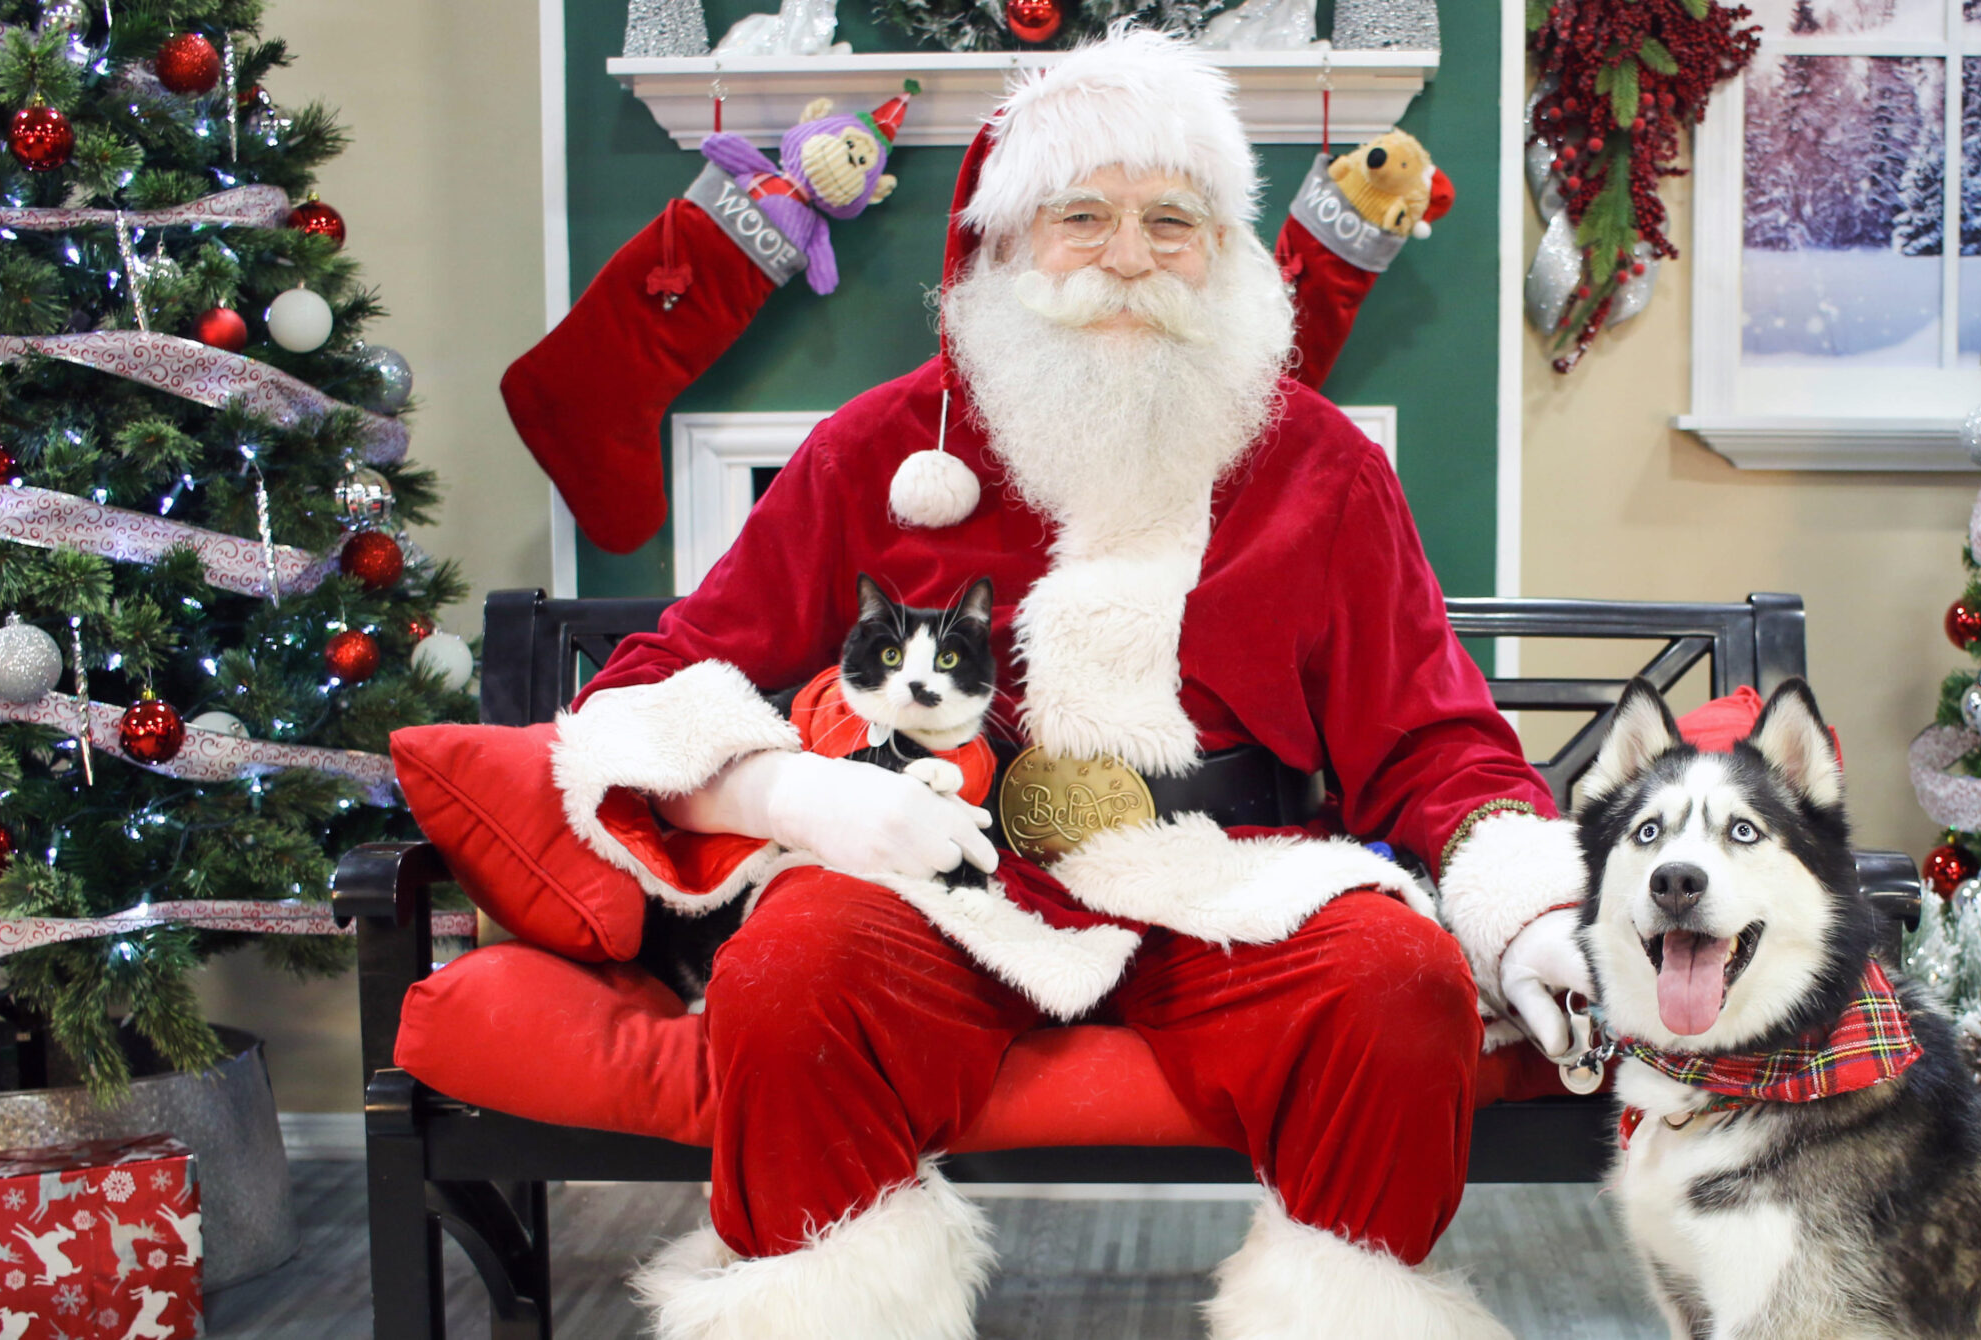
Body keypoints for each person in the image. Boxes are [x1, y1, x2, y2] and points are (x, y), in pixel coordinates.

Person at [550, 28, 1594, 1339]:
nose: (1127, 255)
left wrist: (1537, 913)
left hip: (1233, 871)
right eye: (1081, 215)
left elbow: (1433, 737)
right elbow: (655, 684)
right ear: (999, 244)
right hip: (945, 874)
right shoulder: (878, 449)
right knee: (789, 969)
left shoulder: (1320, 465)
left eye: (1173, 221)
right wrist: (799, 801)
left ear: (1223, 254)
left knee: (1398, 981)